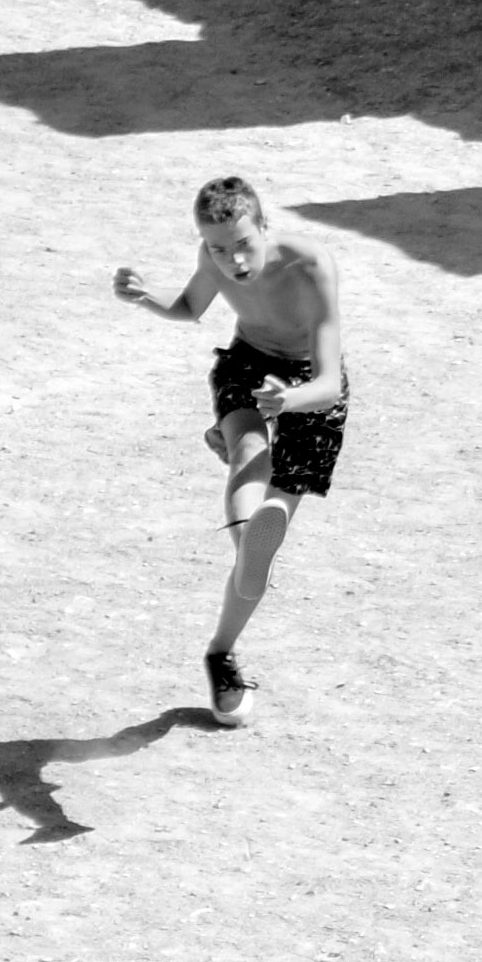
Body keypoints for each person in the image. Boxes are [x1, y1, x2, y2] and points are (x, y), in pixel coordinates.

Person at [113, 178, 348, 727]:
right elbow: (192, 306)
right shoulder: (213, 255)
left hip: (309, 384)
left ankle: (221, 649)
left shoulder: (312, 266)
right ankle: (248, 540)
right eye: (218, 248)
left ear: (264, 226)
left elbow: (331, 381)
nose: (233, 260)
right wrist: (144, 296)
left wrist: (288, 400)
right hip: (248, 364)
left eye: (243, 243)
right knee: (249, 450)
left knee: (270, 527)